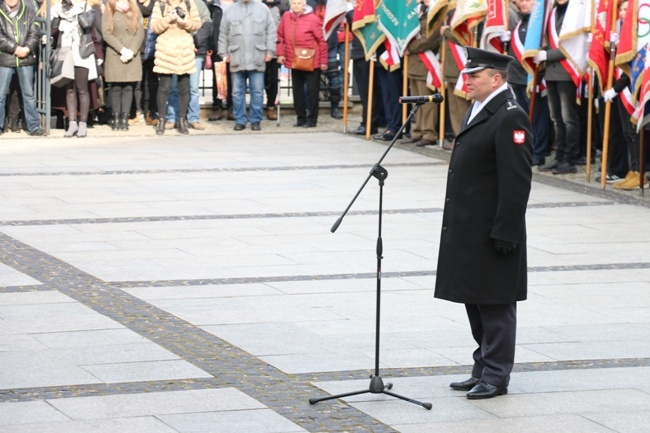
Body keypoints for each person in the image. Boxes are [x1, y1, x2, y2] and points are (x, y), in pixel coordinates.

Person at [434, 47, 533, 400]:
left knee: (495, 304)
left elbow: (517, 180)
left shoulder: (510, 116)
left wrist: (506, 229)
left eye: (474, 75)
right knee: (475, 301)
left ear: (497, 78)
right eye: (467, 74)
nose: (467, 80)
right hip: (470, 227)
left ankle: (496, 374)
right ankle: (482, 366)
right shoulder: (480, 109)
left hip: (493, 229)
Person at [535, 0, 585, 174]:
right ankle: (559, 156)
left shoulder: (575, 13)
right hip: (551, 72)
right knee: (556, 118)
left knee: (568, 118)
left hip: (567, 71)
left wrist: (546, 54)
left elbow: (573, 46)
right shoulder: (552, 13)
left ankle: (570, 159)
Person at [219, 0, 276, 131]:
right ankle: (240, 120)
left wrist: (270, 51)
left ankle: (256, 120)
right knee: (237, 92)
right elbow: (223, 34)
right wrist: (223, 54)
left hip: (257, 56)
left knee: (257, 91)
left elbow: (271, 32)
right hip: (236, 56)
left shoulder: (263, 9)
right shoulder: (230, 10)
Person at [50, 0, 102, 138]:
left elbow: (86, 25)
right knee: (69, 89)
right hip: (66, 53)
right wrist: (56, 14)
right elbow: (53, 30)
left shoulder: (87, 8)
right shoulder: (62, 11)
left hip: (82, 53)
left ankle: (83, 123)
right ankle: (72, 123)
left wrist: (77, 9)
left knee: (82, 88)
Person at [150, 0, 201, 135]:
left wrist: (185, 22)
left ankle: (182, 120)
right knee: (164, 88)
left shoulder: (189, 4)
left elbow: (197, 24)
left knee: (184, 88)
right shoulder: (160, 5)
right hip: (165, 51)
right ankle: (162, 120)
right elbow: (154, 27)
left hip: (184, 52)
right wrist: (168, 18)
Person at [276, 0, 327, 128]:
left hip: (311, 60)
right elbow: (280, 36)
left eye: (299, 3)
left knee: (312, 92)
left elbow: (321, 41)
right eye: (294, 3)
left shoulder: (313, 19)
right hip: (293, 59)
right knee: (297, 91)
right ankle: (300, 117)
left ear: (304, 4)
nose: (296, 5)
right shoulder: (286, 16)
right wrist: (280, 54)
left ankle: (312, 119)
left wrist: (323, 61)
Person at [0, 0, 45, 136]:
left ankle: (34, 126)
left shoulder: (29, 11)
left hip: (25, 58)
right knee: (0, 95)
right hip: (5, 58)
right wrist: (15, 48)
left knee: (29, 95)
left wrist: (27, 48)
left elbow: (35, 33)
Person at [101, 0, 145, 131]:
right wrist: (122, 49)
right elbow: (106, 33)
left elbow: (140, 33)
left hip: (132, 54)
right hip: (115, 54)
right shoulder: (109, 10)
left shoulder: (135, 9)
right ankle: (116, 118)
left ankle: (124, 118)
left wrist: (131, 50)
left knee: (128, 87)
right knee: (115, 87)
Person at [402, 0, 441, 147]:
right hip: (413, 63)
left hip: (426, 63)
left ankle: (429, 133)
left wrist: (410, 48)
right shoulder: (418, 11)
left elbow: (431, 38)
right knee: (416, 101)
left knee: (427, 102)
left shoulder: (435, 12)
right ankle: (417, 131)